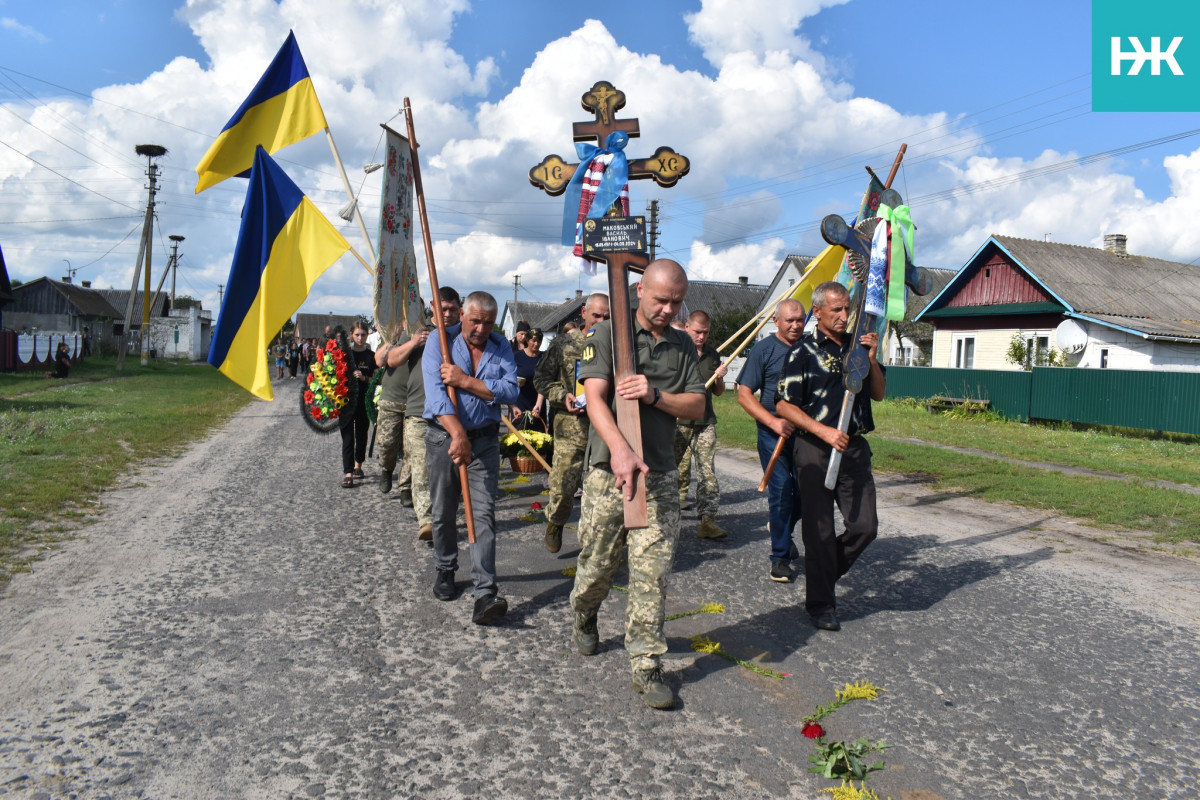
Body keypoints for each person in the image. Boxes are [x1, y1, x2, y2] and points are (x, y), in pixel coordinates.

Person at [569, 260, 705, 710]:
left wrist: (655, 396)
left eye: (677, 301)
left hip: (660, 473)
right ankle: (585, 612)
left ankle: (646, 664)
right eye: (660, 299)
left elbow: (697, 406)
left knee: (652, 572)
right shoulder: (608, 335)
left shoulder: (684, 345)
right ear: (639, 289)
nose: (668, 309)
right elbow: (593, 398)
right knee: (599, 565)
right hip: (610, 471)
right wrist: (621, 450)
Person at [775, 281, 885, 632]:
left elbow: (879, 393)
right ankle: (821, 603)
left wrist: (871, 359)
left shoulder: (858, 348)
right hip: (814, 449)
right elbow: (783, 404)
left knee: (865, 527)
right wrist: (823, 431)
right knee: (819, 533)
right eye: (835, 309)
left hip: (853, 449)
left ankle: (820, 575)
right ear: (817, 312)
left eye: (846, 308)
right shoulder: (803, 352)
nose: (843, 315)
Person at [423, 291, 518, 626]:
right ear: (462, 314)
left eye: (488, 322)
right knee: (443, 510)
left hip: (484, 442)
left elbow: (511, 390)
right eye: (475, 320)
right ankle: (446, 568)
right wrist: (458, 434)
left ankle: (485, 592)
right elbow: (436, 394)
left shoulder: (500, 345)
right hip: (443, 438)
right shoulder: (440, 341)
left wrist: (466, 381)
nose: (480, 328)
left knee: (483, 515)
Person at [533, 293, 610, 552]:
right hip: (570, 425)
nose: (601, 321)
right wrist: (560, 395)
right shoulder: (564, 344)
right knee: (564, 483)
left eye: (606, 317)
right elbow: (541, 379)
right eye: (596, 315)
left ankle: (592, 543)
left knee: (599, 486)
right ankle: (555, 521)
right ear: (584, 313)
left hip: (605, 425)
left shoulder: (617, 345)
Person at [736, 298, 806, 583]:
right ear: (776, 321)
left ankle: (783, 529)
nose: (795, 325)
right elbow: (743, 394)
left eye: (800, 319)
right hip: (771, 433)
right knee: (781, 489)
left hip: (805, 433)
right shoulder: (763, 350)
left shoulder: (811, 349)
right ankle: (779, 557)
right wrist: (774, 422)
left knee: (804, 493)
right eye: (789, 320)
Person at [396, 287, 462, 541]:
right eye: (442, 309)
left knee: (448, 475)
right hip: (418, 411)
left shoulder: (465, 336)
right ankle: (426, 521)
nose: (447, 314)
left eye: (452, 309)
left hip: (453, 415)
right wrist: (414, 342)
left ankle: (443, 516)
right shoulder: (416, 333)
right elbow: (388, 359)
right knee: (422, 469)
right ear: (432, 306)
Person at [674, 310, 729, 539]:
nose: (701, 337)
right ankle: (660, 514)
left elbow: (718, 392)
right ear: (687, 328)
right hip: (678, 420)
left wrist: (719, 377)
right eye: (697, 332)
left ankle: (707, 520)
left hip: (705, 421)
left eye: (705, 333)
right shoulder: (675, 351)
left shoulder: (711, 354)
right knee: (669, 469)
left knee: (707, 472)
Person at [374, 323, 430, 498]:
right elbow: (379, 360)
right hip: (391, 398)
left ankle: (406, 487)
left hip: (415, 400)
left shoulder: (428, 334)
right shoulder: (394, 334)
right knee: (387, 442)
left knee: (411, 448)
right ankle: (386, 468)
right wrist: (394, 338)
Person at [339, 321, 376, 488]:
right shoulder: (344, 355)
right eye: (357, 335)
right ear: (351, 335)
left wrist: (364, 378)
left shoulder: (371, 356)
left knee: (361, 435)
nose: (360, 338)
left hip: (363, 402)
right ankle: (348, 473)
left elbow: (376, 380)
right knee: (348, 438)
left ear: (367, 335)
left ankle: (358, 465)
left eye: (363, 334)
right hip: (345, 402)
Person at [511, 328, 545, 419]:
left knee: (539, 432)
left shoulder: (544, 357)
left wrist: (539, 404)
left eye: (539, 341)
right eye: (533, 341)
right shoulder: (517, 356)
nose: (536, 344)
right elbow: (507, 379)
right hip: (520, 403)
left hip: (538, 404)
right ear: (528, 340)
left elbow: (545, 382)